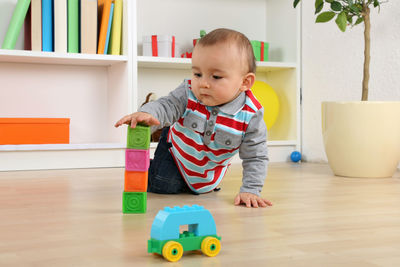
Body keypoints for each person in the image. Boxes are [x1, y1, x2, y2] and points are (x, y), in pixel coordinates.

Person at [115, 28, 272, 208]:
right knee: (164, 184)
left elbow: (256, 156)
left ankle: (195, 182)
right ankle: (149, 167)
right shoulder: (188, 92)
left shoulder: (251, 114)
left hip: (207, 170)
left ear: (245, 82)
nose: (203, 83)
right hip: (176, 151)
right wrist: (149, 113)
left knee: (198, 190)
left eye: (216, 76)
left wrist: (251, 189)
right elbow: (168, 104)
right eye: (197, 74)